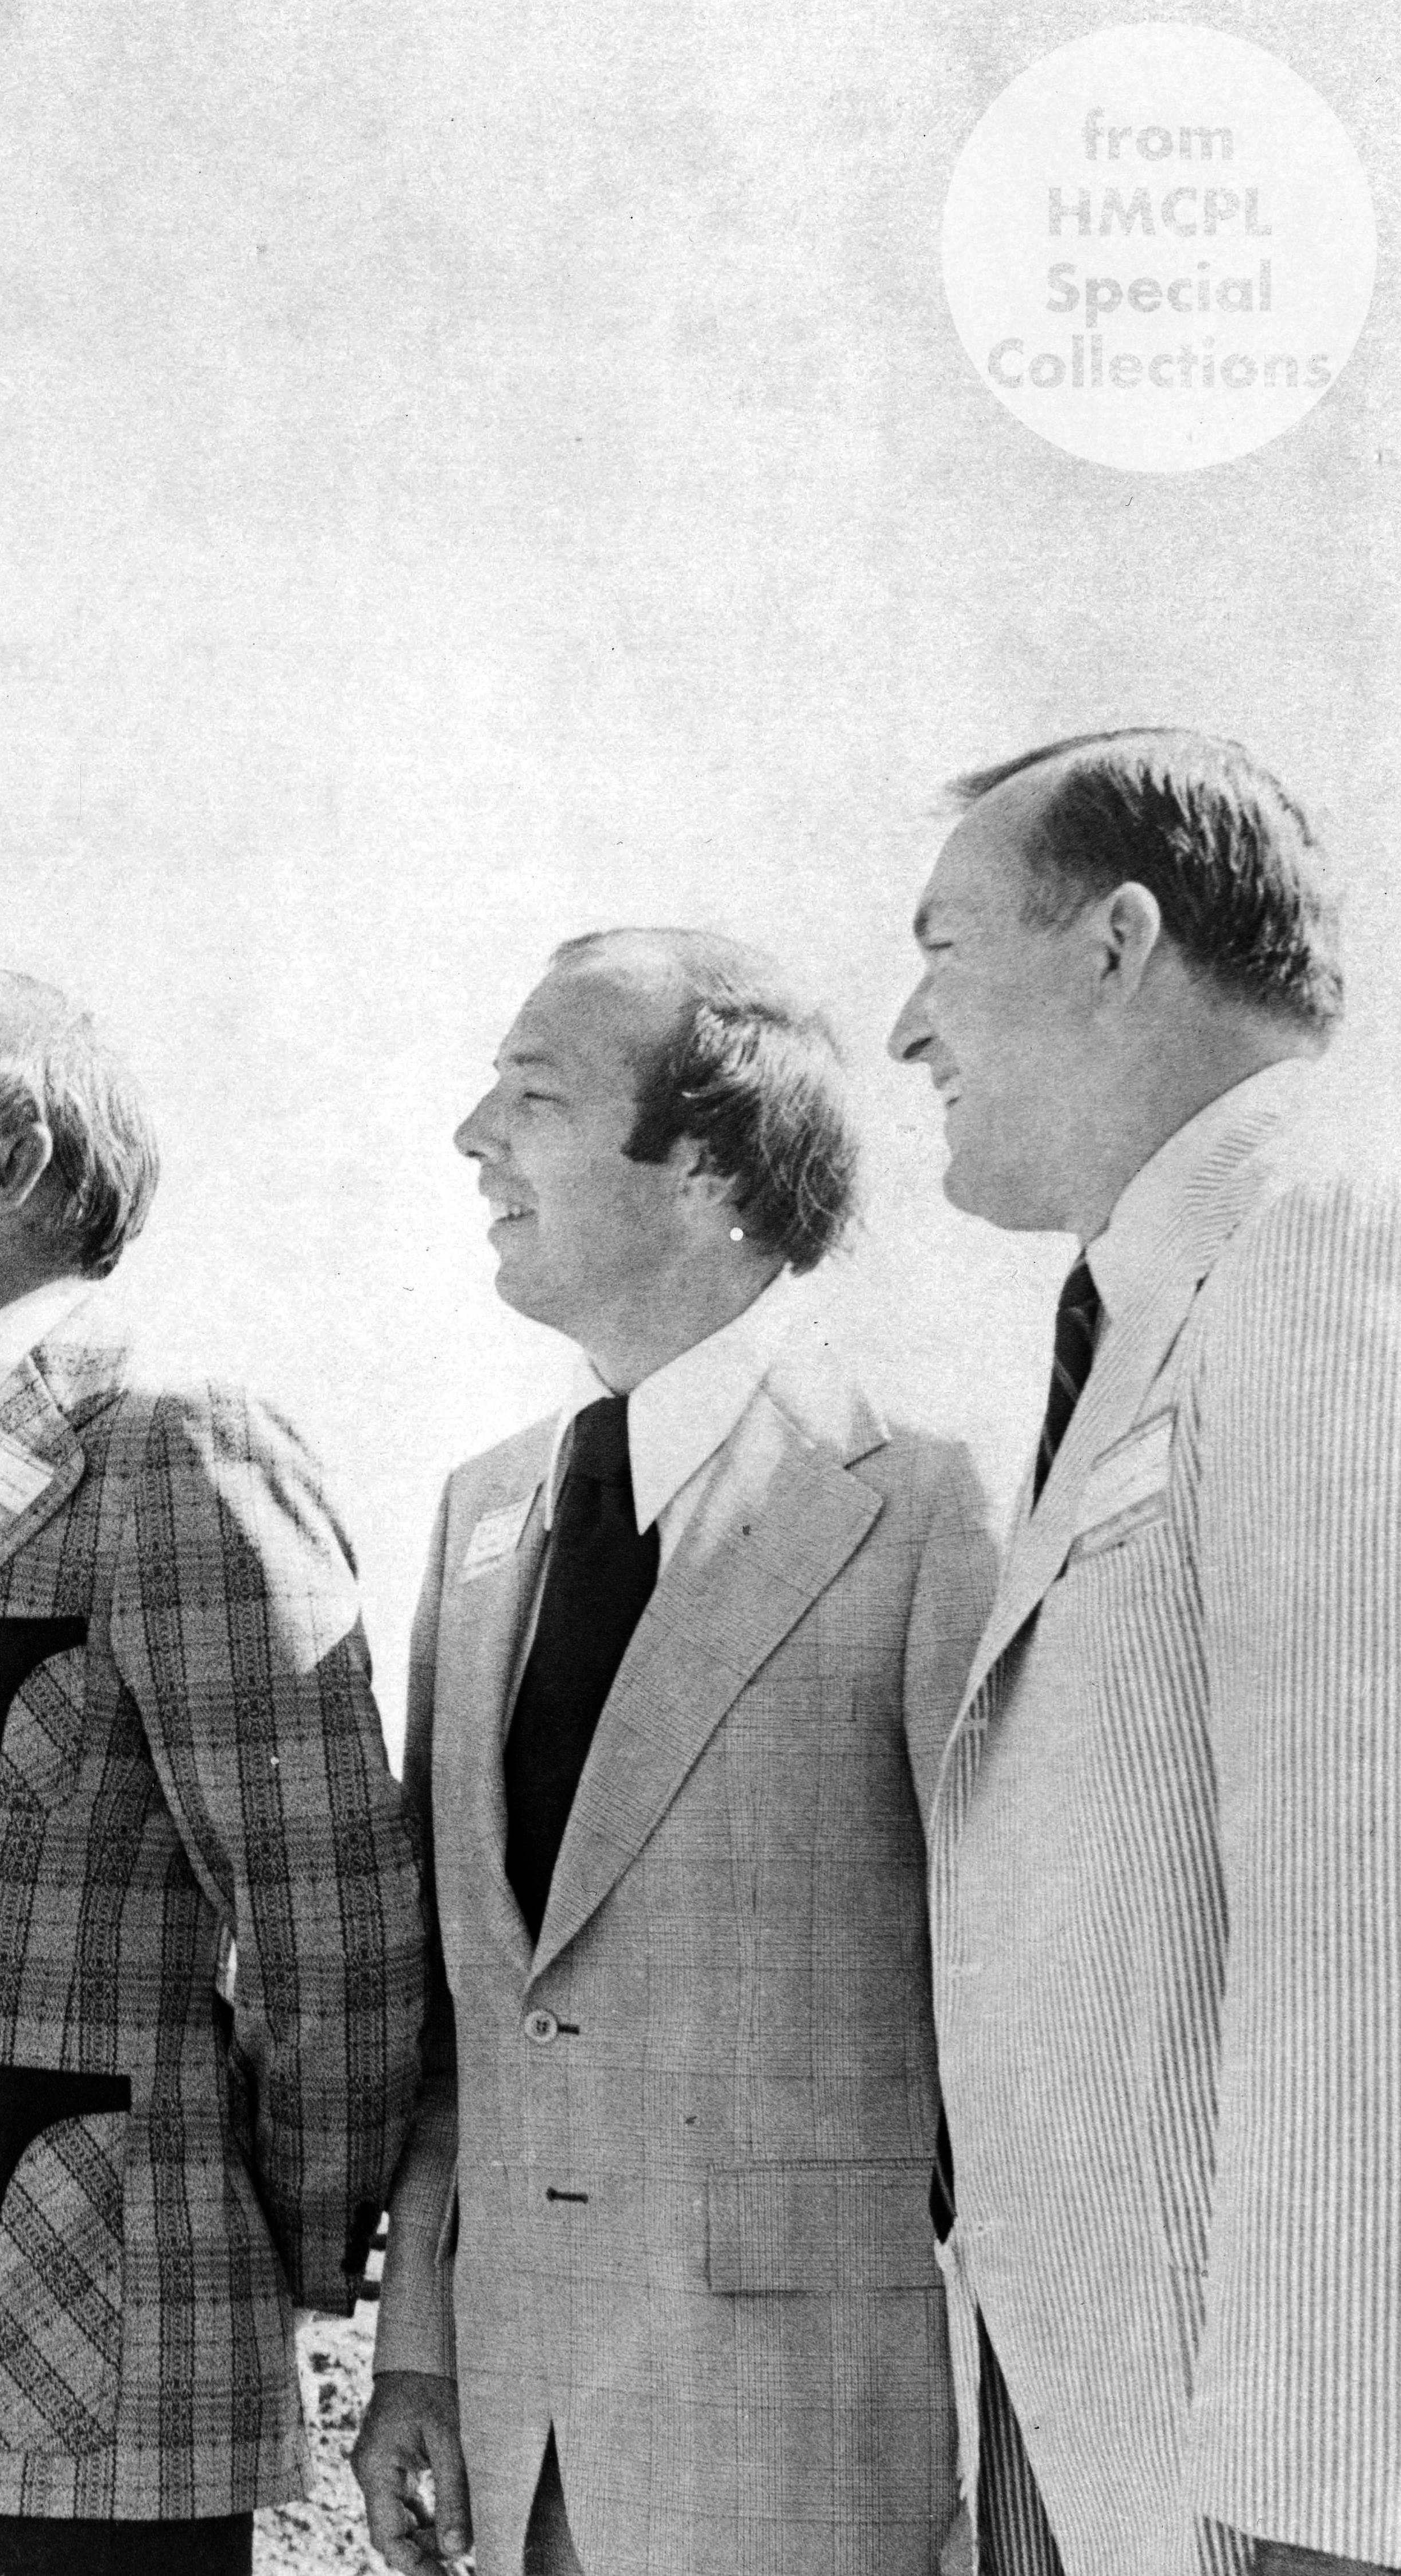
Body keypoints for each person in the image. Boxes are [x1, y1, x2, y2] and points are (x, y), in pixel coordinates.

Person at [0, 971, 428, 2576]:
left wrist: (240, 2240)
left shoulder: (171, 1441)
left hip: (71, 2373)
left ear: (9, 1165)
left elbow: (327, 1919)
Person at [346, 930, 994, 2576]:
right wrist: (418, 2345)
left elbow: (1015, 2030)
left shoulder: (931, 1496)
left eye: (535, 1094)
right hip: (517, 2451)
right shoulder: (483, 1510)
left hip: (811, 2453)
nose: (472, 1134)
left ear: (706, 1165)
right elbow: (468, 2006)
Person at [891, 730, 1400, 2576]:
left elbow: (1365, 1918)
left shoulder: (1324, 1243)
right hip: (1100, 2423)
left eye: (943, 950)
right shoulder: (1152, 1298)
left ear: (1116, 942)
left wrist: (1333, 2498)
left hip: (1258, 2485)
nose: (908, 1029)